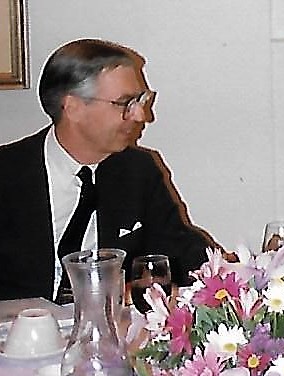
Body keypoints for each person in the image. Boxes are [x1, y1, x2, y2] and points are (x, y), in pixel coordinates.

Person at [0, 38, 219, 301]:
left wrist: (238, 276)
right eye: (125, 103)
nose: (141, 116)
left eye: (141, 100)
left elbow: (182, 254)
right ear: (73, 107)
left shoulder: (138, 171)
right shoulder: (8, 174)